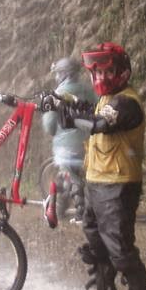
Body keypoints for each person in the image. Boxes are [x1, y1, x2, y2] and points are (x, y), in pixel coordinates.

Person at [51, 41, 146, 290]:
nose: (99, 79)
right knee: (97, 244)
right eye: (95, 74)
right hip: (96, 183)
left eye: (107, 72)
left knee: (119, 247)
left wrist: (72, 116)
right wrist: (63, 104)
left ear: (122, 72)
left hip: (119, 187)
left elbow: (101, 124)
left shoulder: (127, 102)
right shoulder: (104, 100)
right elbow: (90, 111)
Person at [41, 57, 95, 220]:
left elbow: (50, 125)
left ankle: (81, 213)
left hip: (66, 147)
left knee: (70, 177)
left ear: (64, 74)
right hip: (89, 144)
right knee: (69, 177)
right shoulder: (88, 91)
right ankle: (60, 210)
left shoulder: (56, 95)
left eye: (58, 73)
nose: (56, 77)